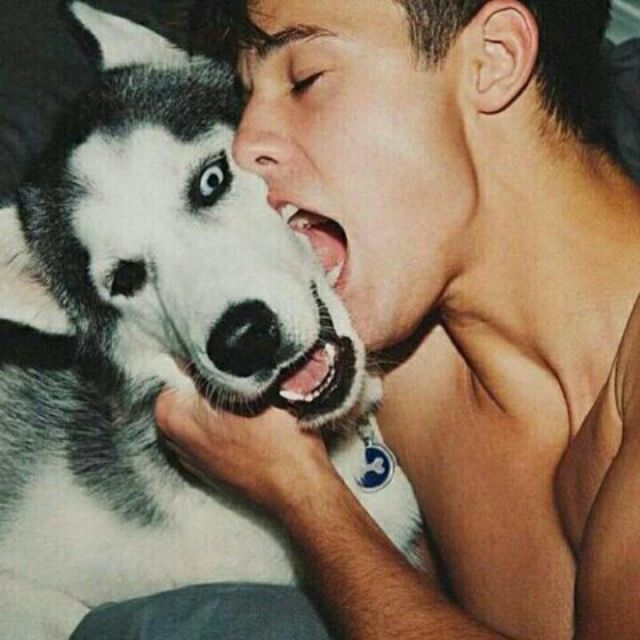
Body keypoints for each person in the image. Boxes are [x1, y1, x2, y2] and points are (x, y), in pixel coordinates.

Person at [148, 1, 640, 639]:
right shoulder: (398, 368)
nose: (241, 148)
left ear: (495, 60)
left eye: (305, 80)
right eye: (246, 101)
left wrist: (301, 491)